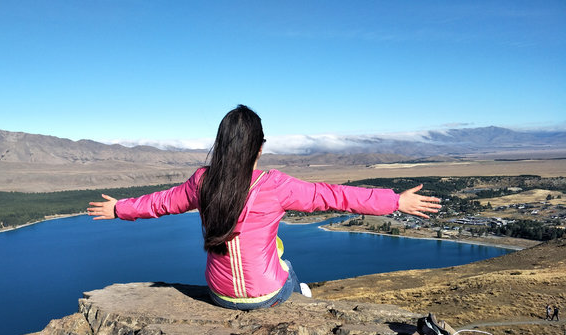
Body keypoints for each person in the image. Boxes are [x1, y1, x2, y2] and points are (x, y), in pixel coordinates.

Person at [88, 105, 441, 310]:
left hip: (219, 295)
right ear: (259, 148)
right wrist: (396, 201)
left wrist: (120, 209)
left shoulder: (201, 181)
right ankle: (299, 293)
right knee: (285, 262)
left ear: (221, 146)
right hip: (267, 296)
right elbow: (334, 196)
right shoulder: (274, 186)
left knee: (272, 247)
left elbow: (161, 203)